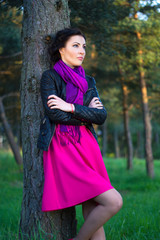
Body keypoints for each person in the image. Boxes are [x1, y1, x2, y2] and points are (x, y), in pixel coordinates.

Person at [37, 28, 123, 240]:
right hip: (64, 146)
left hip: (87, 145)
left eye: (83, 46)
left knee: (93, 204)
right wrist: (86, 114)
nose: (81, 50)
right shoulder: (50, 77)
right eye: (75, 45)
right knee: (114, 201)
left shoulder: (89, 81)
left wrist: (71, 107)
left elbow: (101, 116)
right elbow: (54, 114)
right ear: (61, 49)